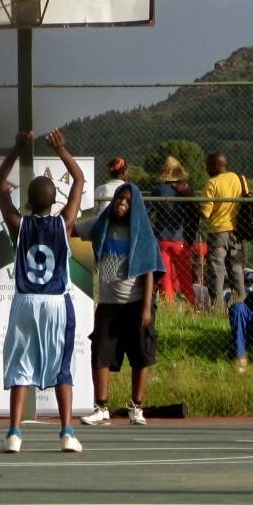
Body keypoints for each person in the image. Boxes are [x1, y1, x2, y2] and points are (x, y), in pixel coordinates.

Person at [0, 130, 86, 455]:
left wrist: (17, 148)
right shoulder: (65, 223)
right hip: (56, 303)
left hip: (24, 302)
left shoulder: (19, 225)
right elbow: (78, 179)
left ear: (29, 202)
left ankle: (14, 434)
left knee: (20, 365)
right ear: (55, 202)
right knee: (63, 367)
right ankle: (67, 433)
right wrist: (62, 149)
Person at [80, 181, 162, 426]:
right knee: (101, 355)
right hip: (108, 304)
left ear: (134, 206)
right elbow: (71, 228)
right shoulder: (101, 225)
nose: (121, 204)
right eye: (119, 199)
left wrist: (147, 307)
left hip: (136, 303)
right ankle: (101, 407)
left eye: (127, 201)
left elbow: (149, 271)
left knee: (140, 356)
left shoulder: (141, 233)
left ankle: (136, 407)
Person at [200, 153, 249, 309]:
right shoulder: (239, 178)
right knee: (236, 269)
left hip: (218, 231)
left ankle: (217, 306)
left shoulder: (212, 183)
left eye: (208, 166)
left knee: (217, 270)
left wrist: (193, 206)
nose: (206, 169)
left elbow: (205, 213)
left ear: (216, 166)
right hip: (237, 231)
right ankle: (240, 302)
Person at [151, 156, 198, 305]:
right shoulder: (186, 191)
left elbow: (147, 212)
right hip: (181, 240)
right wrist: (190, 237)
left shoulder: (158, 191)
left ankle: (168, 307)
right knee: (185, 278)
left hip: (162, 239)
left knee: (165, 277)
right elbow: (194, 216)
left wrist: (153, 233)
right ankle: (193, 306)